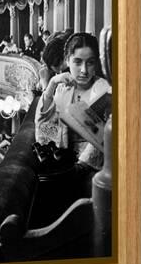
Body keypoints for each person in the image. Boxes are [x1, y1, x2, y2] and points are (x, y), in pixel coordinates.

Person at [35, 32, 111, 172]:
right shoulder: (62, 89)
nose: (84, 71)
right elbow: (43, 129)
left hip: (94, 169)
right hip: (67, 162)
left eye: (90, 62)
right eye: (77, 62)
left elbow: (104, 139)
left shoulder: (104, 89)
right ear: (67, 60)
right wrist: (51, 84)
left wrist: (80, 167)